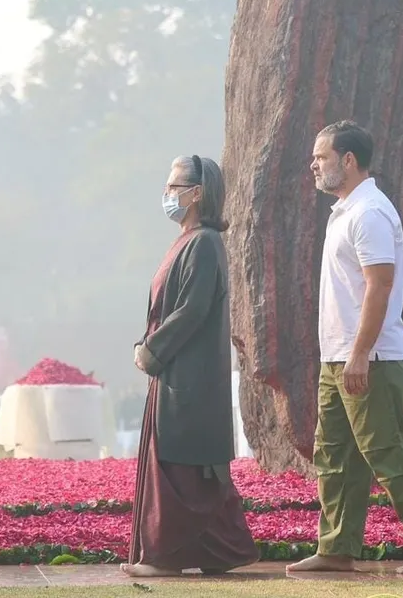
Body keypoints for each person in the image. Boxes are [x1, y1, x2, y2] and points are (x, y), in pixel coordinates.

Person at [287, 121, 403, 575]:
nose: (314, 165)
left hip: (372, 356)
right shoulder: (344, 210)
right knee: (335, 453)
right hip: (337, 355)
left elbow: (379, 285)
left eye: (321, 157)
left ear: (348, 160)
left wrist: (361, 353)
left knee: (389, 449)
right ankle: (337, 548)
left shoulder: (370, 213)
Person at [121, 154, 259, 578]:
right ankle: (218, 553)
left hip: (190, 375)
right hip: (175, 373)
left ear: (196, 194)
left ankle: (167, 558)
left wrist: (151, 350)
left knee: (181, 468)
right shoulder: (186, 239)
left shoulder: (204, 242)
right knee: (186, 468)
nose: (167, 194)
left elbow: (191, 310)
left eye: (174, 187)